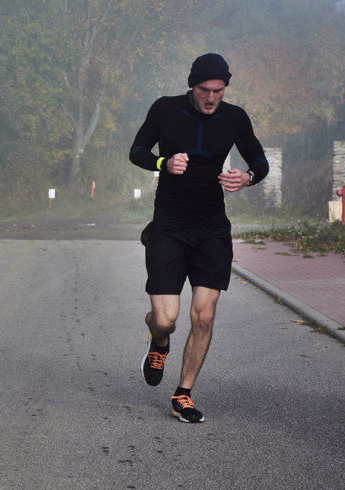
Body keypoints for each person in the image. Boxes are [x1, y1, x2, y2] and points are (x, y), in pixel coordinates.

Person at [129, 53, 268, 423]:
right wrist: (163, 162)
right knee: (167, 318)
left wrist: (248, 177)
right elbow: (137, 150)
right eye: (205, 90)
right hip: (169, 226)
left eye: (218, 91)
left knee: (203, 317)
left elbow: (260, 160)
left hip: (212, 228)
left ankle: (183, 394)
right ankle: (158, 341)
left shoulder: (235, 117)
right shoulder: (165, 109)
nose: (211, 98)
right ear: (192, 85)